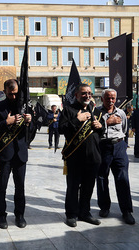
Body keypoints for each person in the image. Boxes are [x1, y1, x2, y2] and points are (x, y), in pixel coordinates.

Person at [0, 79, 32, 229]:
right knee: (2, 187)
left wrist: (29, 122)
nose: (13, 96)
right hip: (4, 154)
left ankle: (20, 215)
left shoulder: (25, 107)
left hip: (20, 154)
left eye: (15, 93)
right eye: (10, 93)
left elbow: (31, 133)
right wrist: (6, 122)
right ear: (4, 91)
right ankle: (1, 215)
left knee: (20, 187)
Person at [59, 84, 104, 227]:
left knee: (88, 187)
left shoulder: (96, 111)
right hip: (75, 156)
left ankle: (85, 212)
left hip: (93, 156)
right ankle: (71, 214)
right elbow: (61, 129)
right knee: (73, 187)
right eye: (84, 93)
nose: (87, 96)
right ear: (77, 95)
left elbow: (101, 134)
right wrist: (78, 119)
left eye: (89, 93)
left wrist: (100, 127)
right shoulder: (69, 110)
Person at [96, 89, 135, 225]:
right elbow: (94, 131)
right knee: (101, 177)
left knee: (122, 178)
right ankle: (104, 207)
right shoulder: (97, 113)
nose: (111, 101)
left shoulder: (121, 113)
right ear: (102, 99)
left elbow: (124, 129)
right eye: (108, 98)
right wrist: (107, 124)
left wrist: (122, 145)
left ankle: (126, 211)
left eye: (113, 98)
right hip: (103, 147)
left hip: (119, 147)